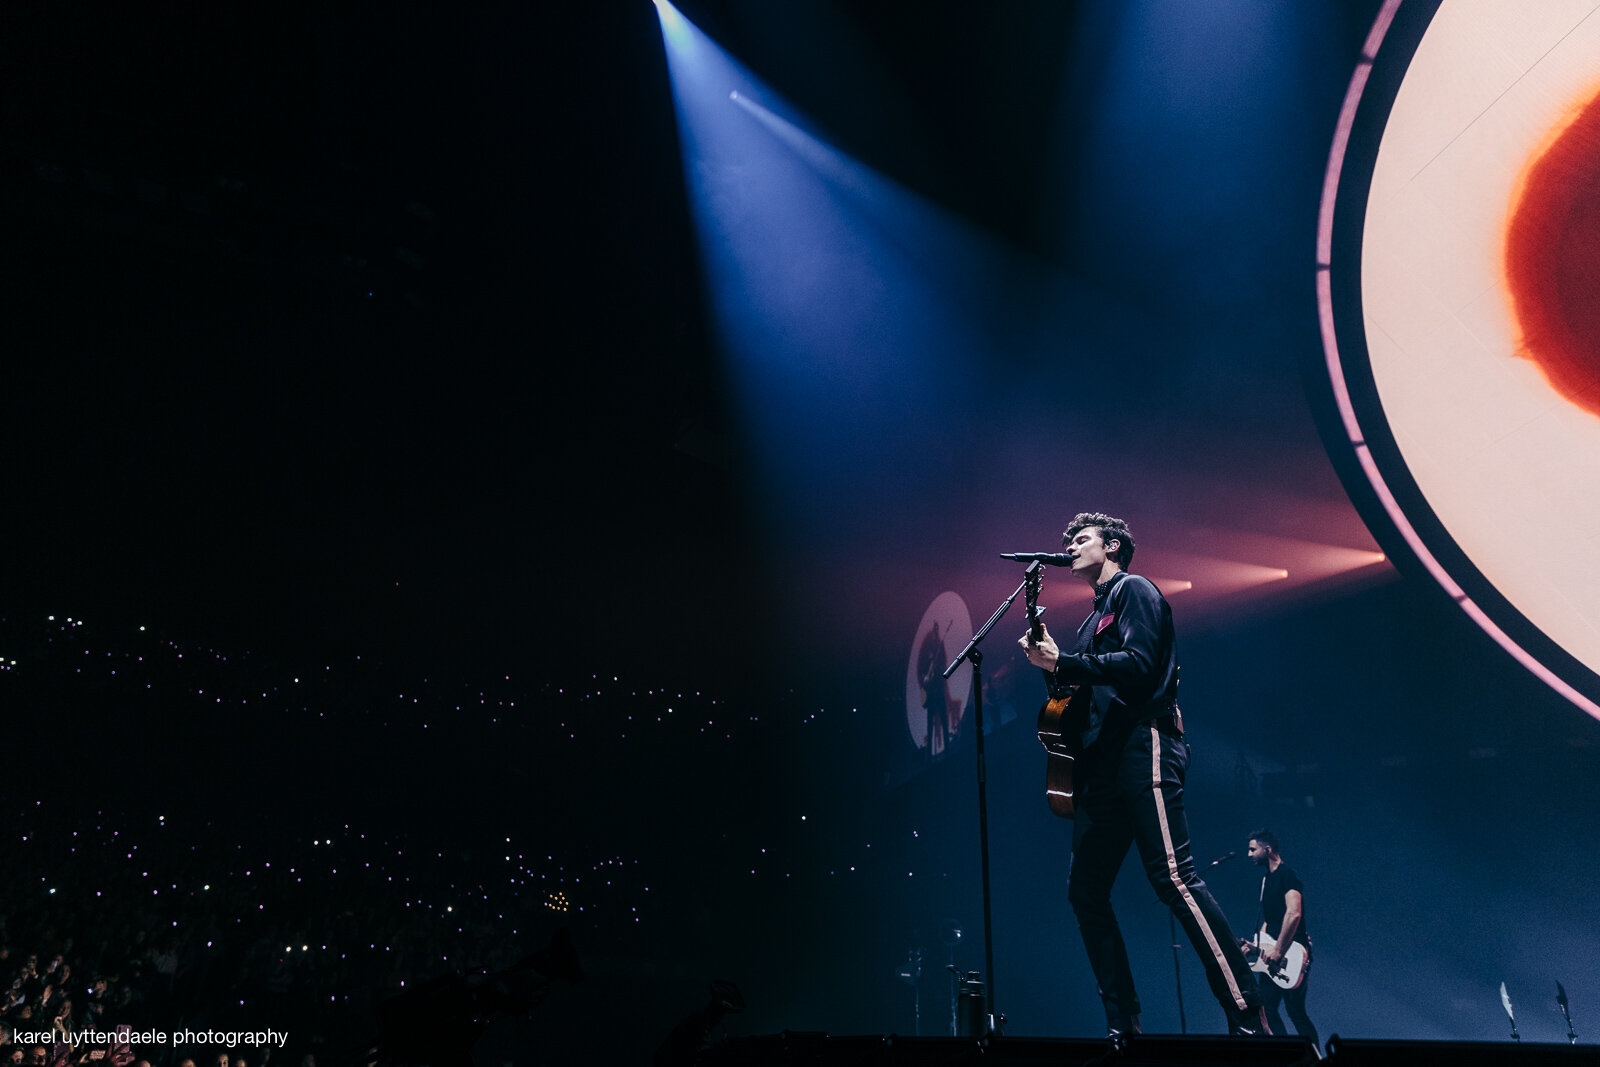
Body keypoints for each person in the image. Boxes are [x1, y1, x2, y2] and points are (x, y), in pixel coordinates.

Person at [1020, 512, 1266, 1038]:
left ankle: (1245, 1008)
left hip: (1143, 743)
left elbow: (1137, 663)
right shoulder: (1089, 621)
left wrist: (1065, 660)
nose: (1068, 546)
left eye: (1080, 539)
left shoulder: (1135, 590)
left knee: (1174, 876)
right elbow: (1079, 698)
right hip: (1102, 764)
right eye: (1066, 539)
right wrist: (1054, 670)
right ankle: (1123, 1023)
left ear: (1111, 547)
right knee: (1085, 891)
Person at [1246, 830, 1318, 1046]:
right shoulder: (1266, 879)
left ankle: (1315, 1057)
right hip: (1272, 956)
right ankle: (1285, 1053)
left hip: (1292, 953)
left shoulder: (1287, 875)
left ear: (1267, 850)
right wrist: (1257, 946)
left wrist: (1278, 949)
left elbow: (1293, 912)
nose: (1249, 854)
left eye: (1252, 849)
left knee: (1295, 1011)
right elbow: (1271, 919)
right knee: (1266, 1009)